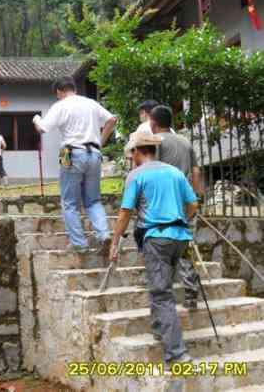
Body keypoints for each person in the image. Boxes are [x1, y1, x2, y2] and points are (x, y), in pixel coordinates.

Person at [109, 131, 198, 366]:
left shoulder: (136, 175)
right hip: (180, 237)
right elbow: (193, 204)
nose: (132, 157)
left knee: (161, 293)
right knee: (162, 285)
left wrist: (115, 242)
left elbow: (125, 212)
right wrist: (179, 219)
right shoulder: (175, 172)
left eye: (132, 153)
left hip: (156, 238)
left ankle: (178, 354)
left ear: (137, 152)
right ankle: (160, 328)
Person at [33, 77, 118, 253]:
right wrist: (100, 142)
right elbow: (112, 120)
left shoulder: (60, 105)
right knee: (93, 200)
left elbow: (43, 128)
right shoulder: (91, 103)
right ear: (74, 88)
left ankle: (79, 243)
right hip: (94, 152)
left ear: (59, 91)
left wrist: (36, 120)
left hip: (68, 151)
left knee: (69, 202)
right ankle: (104, 234)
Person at [149, 105, 204, 310]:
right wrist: (196, 197)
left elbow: (152, 171)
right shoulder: (185, 141)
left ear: (153, 123)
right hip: (186, 201)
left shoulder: (156, 142)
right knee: (186, 247)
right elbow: (196, 172)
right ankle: (190, 294)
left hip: (166, 204)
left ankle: (164, 294)